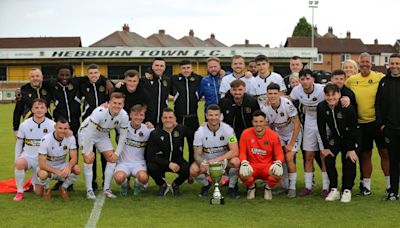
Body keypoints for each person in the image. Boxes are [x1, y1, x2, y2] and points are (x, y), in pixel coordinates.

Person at [345, 52, 390, 196]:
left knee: (384, 153)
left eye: (367, 62)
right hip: (361, 124)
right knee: (365, 155)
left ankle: (390, 186)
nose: (365, 64)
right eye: (362, 62)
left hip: (378, 122)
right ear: (359, 64)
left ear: (371, 64)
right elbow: (341, 92)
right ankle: (366, 188)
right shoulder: (352, 80)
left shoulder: (379, 77)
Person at [79, 92, 129, 200]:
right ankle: (89, 190)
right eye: (114, 103)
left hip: (103, 134)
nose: (117, 106)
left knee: (112, 158)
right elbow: (89, 133)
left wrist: (117, 153)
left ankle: (106, 189)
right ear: (109, 103)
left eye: (120, 103)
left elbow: (123, 136)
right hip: (87, 133)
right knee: (89, 159)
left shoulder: (124, 116)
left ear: (123, 105)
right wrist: (85, 152)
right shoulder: (99, 112)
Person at [289, 69, 329, 198]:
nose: (305, 82)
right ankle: (307, 187)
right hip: (309, 122)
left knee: (324, 155)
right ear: (300, 81)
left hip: (323, 122)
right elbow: (289, 98)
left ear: (313, 79)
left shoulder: (322, 89)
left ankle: (325, 187)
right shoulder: (296, 90)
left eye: (308, 78)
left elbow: (335, 95)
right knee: (308, 155)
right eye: (302, 79)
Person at [317, 83, 358, 203]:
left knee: (349, 160)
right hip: (335, 137)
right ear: (324, 96)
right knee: (328, 158)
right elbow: (321, 127)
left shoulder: (347, 107)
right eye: (328, 95)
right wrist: (325, 146)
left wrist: (351, 148)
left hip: (351, 137)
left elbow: (353, 128)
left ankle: (347, 190)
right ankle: (334, 189)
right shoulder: (321, 107)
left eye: (333, 95)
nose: (331, 98)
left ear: (339, 94)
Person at [190, 104, 241, 199]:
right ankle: (206, 184)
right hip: (207, 161)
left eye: (216, 115)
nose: (213, 118)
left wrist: (217, 160)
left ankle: (232, 187)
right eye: (211, 115)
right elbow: (197, 154)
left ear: (220, 116)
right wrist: (202, 163)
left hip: (223, 161)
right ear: (206, 116)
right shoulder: (199, 132)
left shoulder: (228, 129)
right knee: (193, 170)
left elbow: (235, 151)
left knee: (236, 162)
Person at [262, 83, 302, 198]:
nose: (272, 96)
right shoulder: (265, 107)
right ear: (267, 94)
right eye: (270, 93)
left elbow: (297, 124)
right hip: (279, 134)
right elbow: (267, 125)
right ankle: (284, 185)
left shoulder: (287, 104)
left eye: (275, 93)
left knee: (289, 158)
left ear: (279, 94)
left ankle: (292, 188)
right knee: (279, 159)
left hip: (293, 132)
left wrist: (290, 144)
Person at [80, 63, 114, 191]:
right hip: (88, 126)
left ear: (99, 74)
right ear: (87, 75)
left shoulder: (105, 85)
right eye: (91, 73)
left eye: (96, 73)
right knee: (90, 154)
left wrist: (106, 80)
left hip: (104, 126)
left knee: (105, 154)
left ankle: (106, 180)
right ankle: (92, 182)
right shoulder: (83, 84)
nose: (93, 75)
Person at [13, 99, 55, 201]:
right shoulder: (24, 124)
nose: (39, 110)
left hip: (42, 159)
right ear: (32, 109)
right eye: (36, 108)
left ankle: (34, 181)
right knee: (19, 163)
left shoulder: (52, 125)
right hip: (28, 156)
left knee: (38, 193)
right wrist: (17, 158)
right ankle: (19, 191)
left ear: (46, 110)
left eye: (42, 108)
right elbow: (19, 143)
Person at [239, 110, 285, 200]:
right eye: (256, 121)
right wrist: (244, 162)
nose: (258, 124)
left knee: (278, 173)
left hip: (267, 166)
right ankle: (251, 187)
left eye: (261, 121)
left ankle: (268, 188)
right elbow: (242, 152)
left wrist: (279, 162)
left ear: (265, 122)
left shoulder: (273, 135)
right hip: (252, 166)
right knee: (243, 173)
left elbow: (279, 154)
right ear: (252, 122)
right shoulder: (245, 133)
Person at [146, 108, 190, 197]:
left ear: (175, 119)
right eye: (165, 118)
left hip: (177, 160)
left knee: (188, 168)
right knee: (150, 167)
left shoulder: (181, 129)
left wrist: (204, 126)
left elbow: (193, 136)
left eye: (170, 117)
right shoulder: (155, 133)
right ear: (161, 119)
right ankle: (162, 184)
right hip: (161, 162)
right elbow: (150, 156)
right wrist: (169, 164)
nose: (168, 120)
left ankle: (175, 184)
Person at [376, 54, 400, 200]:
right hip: (390, 129)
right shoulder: (384, 82)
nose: (395, 66)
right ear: (389, 64)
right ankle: (393, 192)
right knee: (394, 162)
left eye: (397, 63)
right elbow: (378, 105)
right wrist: (382, 125)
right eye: (392, 63)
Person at [114, 104, 153, 196]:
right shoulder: (122, 126)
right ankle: (124, 186)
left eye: (141, 115)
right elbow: (109, 120)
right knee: (119, 178)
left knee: (143, 178)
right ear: (130, 115)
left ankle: (138, 184)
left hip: (139, 163)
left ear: (144, 116)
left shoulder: (148, 129)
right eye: (135, 114)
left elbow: (162, 132)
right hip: (123, 163)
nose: (138, 117)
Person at [37, 118, 80, 200]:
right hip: (48, 167)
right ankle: (46, 189)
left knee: (77, 168)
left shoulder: (71, 138)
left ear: (68, 128)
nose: (62, 131)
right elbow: (42, 164)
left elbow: (74, 158)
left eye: (65, 128)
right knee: (42, 174)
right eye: (60, 128)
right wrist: (56, 172)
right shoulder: (45, 140)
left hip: (61, 166)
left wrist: (68, 167)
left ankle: (63, 187)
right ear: (55, 127)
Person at [171, 60, 202, 166]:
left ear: (191, 68)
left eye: (188, 68)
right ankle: (182, 170)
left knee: (193, 145)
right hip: (178, 118)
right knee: (178, 146)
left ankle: (192, 170)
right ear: (180, 69)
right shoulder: (174, 79)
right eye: (183, 68)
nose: (186, 70)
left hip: (193, 118)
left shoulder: (198, 79)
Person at [13, 68, 52, 137]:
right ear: (29, 78)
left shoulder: (48, 87)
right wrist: (16, 129)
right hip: (29, 126)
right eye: (32, 76)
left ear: (42, 77)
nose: (35, 78)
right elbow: (17, 111)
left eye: (37, 76)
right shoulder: (23, 90)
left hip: (47, 126)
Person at [141, 58, 172, 126]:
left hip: (162, 122)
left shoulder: (167, 81)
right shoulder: (144, 80)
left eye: (161, 66)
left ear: (164, 68)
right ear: (152, 66)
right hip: (146, 122)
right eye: (156, 65)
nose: (159, 68)